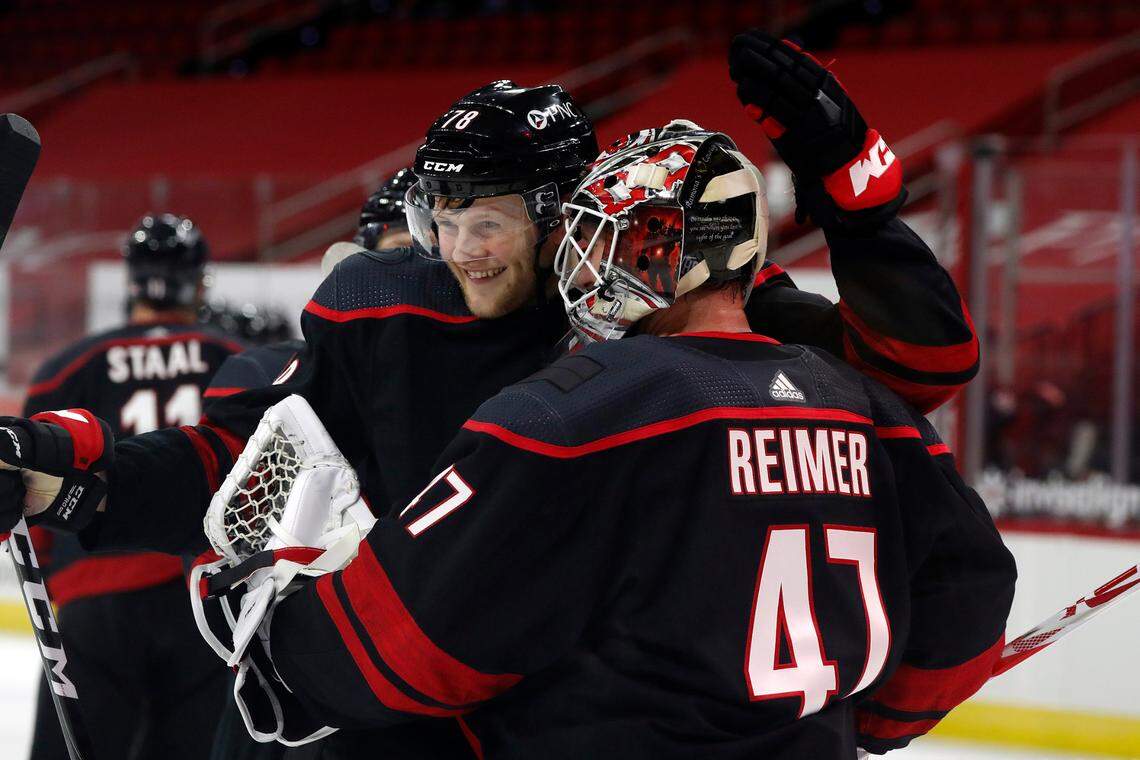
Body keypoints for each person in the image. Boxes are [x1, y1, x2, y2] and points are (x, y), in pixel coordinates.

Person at [0, 34, 981, 758]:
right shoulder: (386, 308)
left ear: (567, 218)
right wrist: (68, 479)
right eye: (445, 215)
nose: (459, 249)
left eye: (492, 220)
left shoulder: (661, 312)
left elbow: (912, 375)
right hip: (423, 696)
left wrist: (858, 195)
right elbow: (252, 455)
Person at [226, 126, 1017, 758]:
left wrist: (281, 642)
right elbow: (971, 590)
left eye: (613, 240)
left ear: (677, 251)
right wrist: (872, 723)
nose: (584, 265)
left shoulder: (579, 410)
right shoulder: (866, 407)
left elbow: (407, 643)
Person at [21, 214, 244, 760]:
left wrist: (56, 579)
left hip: (96, 598)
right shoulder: (236, 359)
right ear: (197, 279)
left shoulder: (65, 367)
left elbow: (31, 494)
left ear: (132, 279)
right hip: (206, 598)